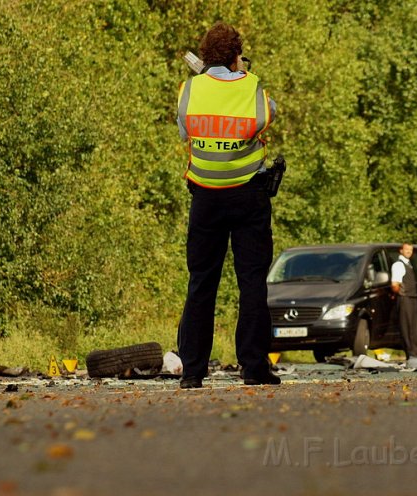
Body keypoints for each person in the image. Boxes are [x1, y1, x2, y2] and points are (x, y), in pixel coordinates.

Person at [176, 21, 279, 388]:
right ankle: (254, 369)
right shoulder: (252, 86)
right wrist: (245, 76)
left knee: (201, 282)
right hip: (249, 194)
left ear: (204, 55)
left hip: (205, 195)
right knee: (251, 282)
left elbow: (185, 130)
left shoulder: (189, 88)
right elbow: (268, 115)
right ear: (237, 55)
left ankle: (192, 372)